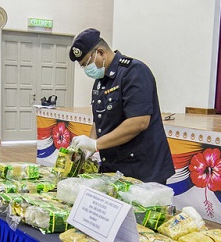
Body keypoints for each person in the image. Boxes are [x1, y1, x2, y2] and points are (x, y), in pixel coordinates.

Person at [66, 29, 174, 183]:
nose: (86, 70)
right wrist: (89, 145)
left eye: (86, 63)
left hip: (141, 168)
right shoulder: (101, 81)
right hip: (115, 166)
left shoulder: (134, 72)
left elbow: (139, 122)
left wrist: (96, 144)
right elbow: (99, 120)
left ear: (101, 53)